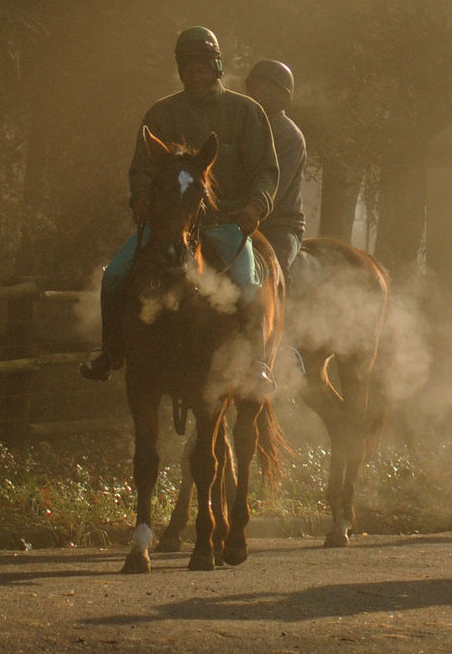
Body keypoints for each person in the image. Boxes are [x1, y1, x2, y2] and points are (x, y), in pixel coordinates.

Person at [80, 26, 280, 389]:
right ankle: (110, 351)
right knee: (114, 276)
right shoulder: (160, 113)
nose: (196, 74)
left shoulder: (246, 112)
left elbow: (266, 170)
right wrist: (141, 198)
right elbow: (142, 166)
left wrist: (255, 206)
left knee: (248, 286)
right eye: (189, 68)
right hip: (166, 225)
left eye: (202, 66)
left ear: (217, 66)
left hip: (226, 223)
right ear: (180, 71)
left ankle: (257, 364)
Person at [243, 59, 305, 275]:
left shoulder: (290, 137)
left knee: (277, 270)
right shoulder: (239, 125)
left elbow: (275, 189)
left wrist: (250, 209)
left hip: (278, 224)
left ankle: (283, 309)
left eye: (268, 89)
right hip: (234, 216)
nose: (259, 93)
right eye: (256, 87)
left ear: (281, 97)